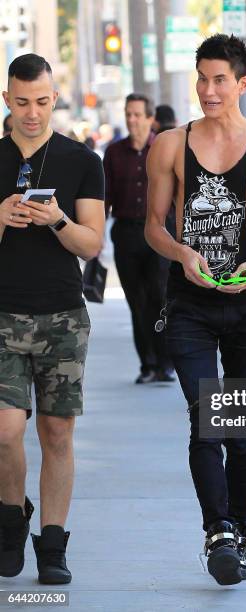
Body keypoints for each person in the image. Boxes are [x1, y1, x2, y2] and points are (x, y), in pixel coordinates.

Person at [145, 34, 246, 585]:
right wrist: (183, 252)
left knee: (242, 430)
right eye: (201, 78)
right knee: (207, 420)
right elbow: (153, 227)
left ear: (242, 83)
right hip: (188, 301)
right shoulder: (170, 144)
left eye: (219, 80)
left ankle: (242, 526)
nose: (207, 91)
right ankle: (218, 532)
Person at [0, 54, 105, 584]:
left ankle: (54, 546)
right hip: (1, 316)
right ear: (7, 100)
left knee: (57, 433)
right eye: (22, 103)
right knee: (4, 429)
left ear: (54, 98)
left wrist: (57, 218)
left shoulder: (82, 160)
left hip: (63, 315)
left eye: (41, 102)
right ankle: (12, 516)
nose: (32, 113)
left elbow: (92, 242)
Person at [103, 94, 174, 383]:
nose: (132, 120)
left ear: (149, 118)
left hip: (160, 231)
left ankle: (165, 364)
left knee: (160, 296)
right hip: (127, 233)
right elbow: (104, 195)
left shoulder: (164, 147)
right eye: (128, 114)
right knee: (137, 301)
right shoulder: (114, 152)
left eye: (137, 115)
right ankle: (147, 364)